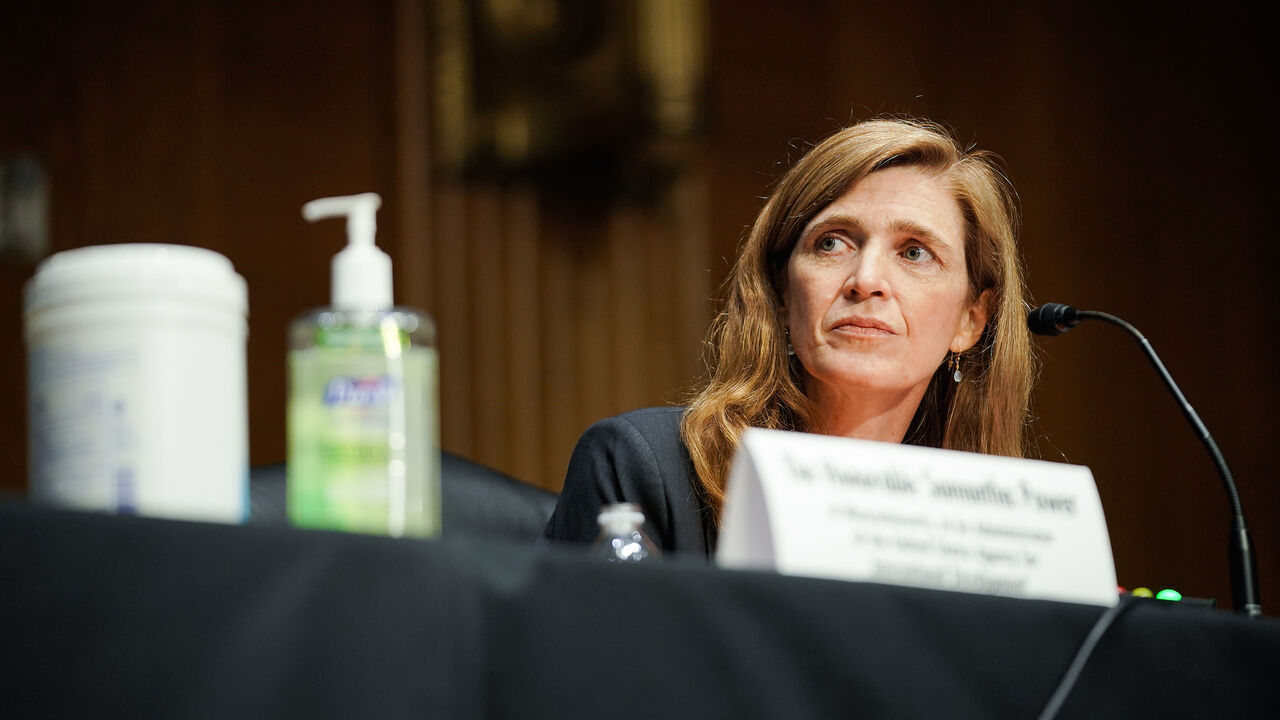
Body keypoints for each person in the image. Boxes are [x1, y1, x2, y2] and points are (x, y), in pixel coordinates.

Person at [543, 117, 1034, 556]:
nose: (866, 279)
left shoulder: (993, 535)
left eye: (914, 253)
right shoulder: (644, 468)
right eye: (832, 242)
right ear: (781, 292)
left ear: (970, 320)